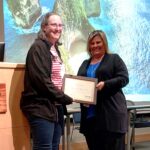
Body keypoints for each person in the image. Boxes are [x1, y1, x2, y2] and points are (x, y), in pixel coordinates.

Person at [20, 12, 73, 150]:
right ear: (44, 27)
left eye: (60, 25)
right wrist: (64, 97)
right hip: (41, 107)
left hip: (55, 107)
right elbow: (42, 81)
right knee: (44, 147)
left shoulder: (54, 48)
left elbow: (56, 78)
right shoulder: (38, 47)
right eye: (54, 24)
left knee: (54, 146)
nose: (58, 28)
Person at [77, 30, 129, 150]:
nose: (95, 45)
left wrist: (106, 84)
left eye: (98, 42)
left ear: (104, 43)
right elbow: (79, 84)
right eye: (92, 43)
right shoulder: (85, 63)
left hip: (111, 118)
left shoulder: (114, 59)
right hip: (90, 120)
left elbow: (124, 78)